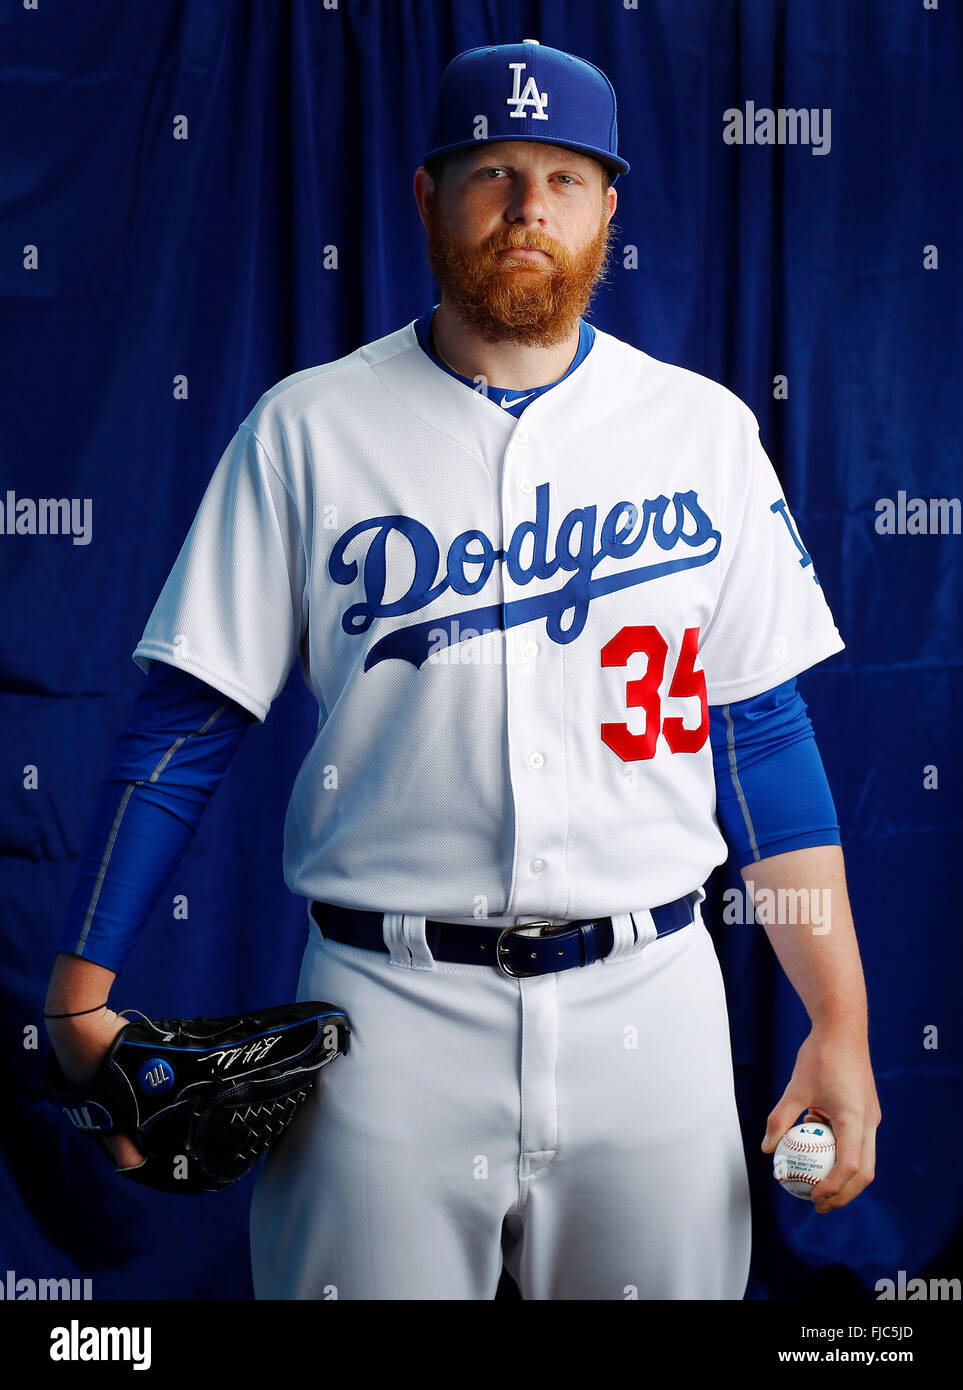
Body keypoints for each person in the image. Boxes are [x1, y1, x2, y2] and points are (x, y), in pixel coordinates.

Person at [44, 40, 880, 1300]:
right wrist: (77, 997)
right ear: (429, 198)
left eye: (562, 176)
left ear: (611, 207)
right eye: (492, 172)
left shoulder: (703, 432)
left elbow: (760, 736)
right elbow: (190, 721)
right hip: (383, 1020)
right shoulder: (307, 426)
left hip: (648, 1006)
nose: (528, 209)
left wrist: (843, 1024)